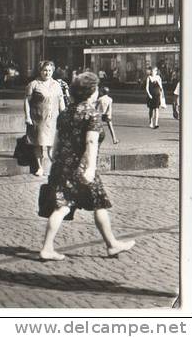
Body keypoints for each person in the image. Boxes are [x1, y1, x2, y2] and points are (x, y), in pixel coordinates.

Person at [39, 72, 135, 261]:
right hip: (82, 167)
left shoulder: (65, 113)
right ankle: (111, 244)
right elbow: (91, 142)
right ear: (92, 92)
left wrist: (56, 160)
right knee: (99, 204)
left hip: (62, 166)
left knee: (62, 207)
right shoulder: (92, 114)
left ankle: (48, 247)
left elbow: (56, 143)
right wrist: (90, 168)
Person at [24, 60, 65, 177]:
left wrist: (65, 115)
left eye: (50, 70)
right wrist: (27, 116)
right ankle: (40, 167)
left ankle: (55, 168)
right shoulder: (34, 84)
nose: (47, 73)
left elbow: (61, 101)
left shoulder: (56, 85)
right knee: (39, 144)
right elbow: (27, 101)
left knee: (52, 145)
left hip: (54, 119)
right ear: (40, 71)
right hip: (39, 118)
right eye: (45, 70)